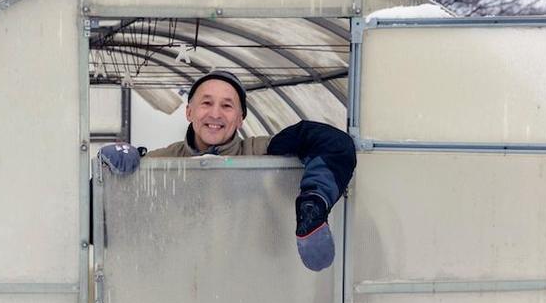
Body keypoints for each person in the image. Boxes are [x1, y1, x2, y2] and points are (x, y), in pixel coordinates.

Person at [97, 70, 356, 271]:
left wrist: (313, 205)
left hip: (246, 290)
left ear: (241, 117)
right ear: (189, 112)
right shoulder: (162, 162)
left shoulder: (263, 152)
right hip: (179, 292)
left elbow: (335, 146)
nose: (215, 113)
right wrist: (104, 176)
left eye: (227, 105)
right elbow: (98, 225)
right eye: (206, 103)